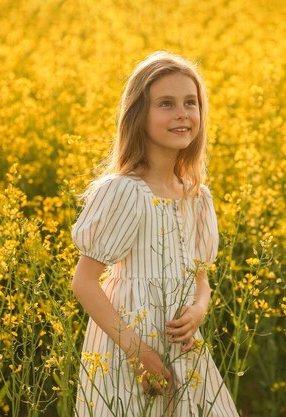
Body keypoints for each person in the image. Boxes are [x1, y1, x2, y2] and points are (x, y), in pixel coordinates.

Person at [71, 51, 240, 417]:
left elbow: (201, 279)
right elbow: (84, 281)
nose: (182, 113)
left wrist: (199, 309)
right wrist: (138, 353)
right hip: (127, 346)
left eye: (190, 103)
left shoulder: (197, 197)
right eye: (166, 104)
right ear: (139, 116)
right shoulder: (123, 191)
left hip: (183, 346)